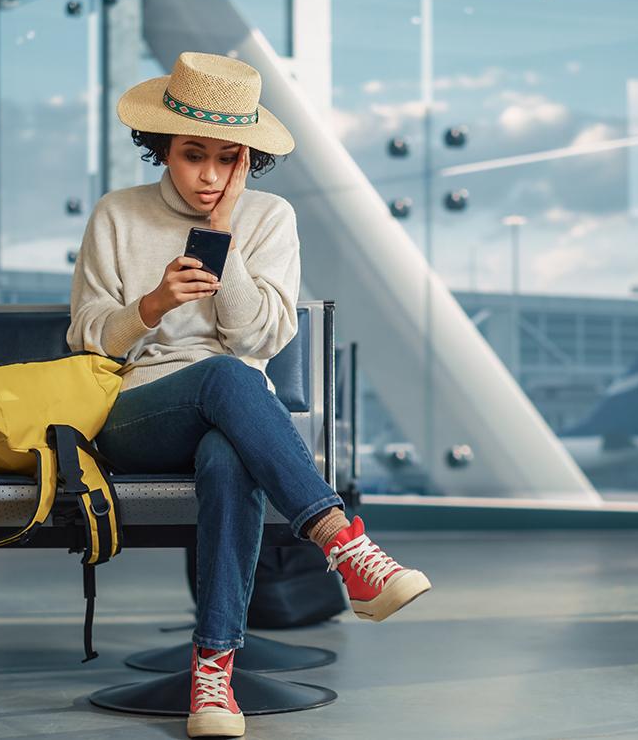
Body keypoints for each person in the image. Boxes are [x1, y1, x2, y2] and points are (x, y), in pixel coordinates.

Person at [68, 52, 431, 738]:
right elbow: (88, 341)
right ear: (161, 149)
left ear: (248, 158)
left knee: (230, 453)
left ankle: (213, 676)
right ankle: (345, 545)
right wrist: (150, 304)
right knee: (227, 379)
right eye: (191, 155)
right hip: (135, 414)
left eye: (227, 158)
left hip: (233, 420)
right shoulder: (117, 215)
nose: (208, 176)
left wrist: (221, 239)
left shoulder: (269, 218)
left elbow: (258, 337)